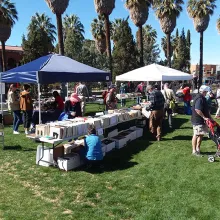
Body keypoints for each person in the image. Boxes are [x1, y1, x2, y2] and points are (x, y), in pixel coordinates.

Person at [191, 85, 211, 156]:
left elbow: (205, 109)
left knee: (201, 134)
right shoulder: (199, 98)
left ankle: (198, 149)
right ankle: (194, 150)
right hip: (197, 120)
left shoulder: (203, 98)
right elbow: (197, 109)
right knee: (196, 135)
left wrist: (209, 117)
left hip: (202, 120)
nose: (207, 93)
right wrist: (204, 117)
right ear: (204, 91)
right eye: (206, 92)